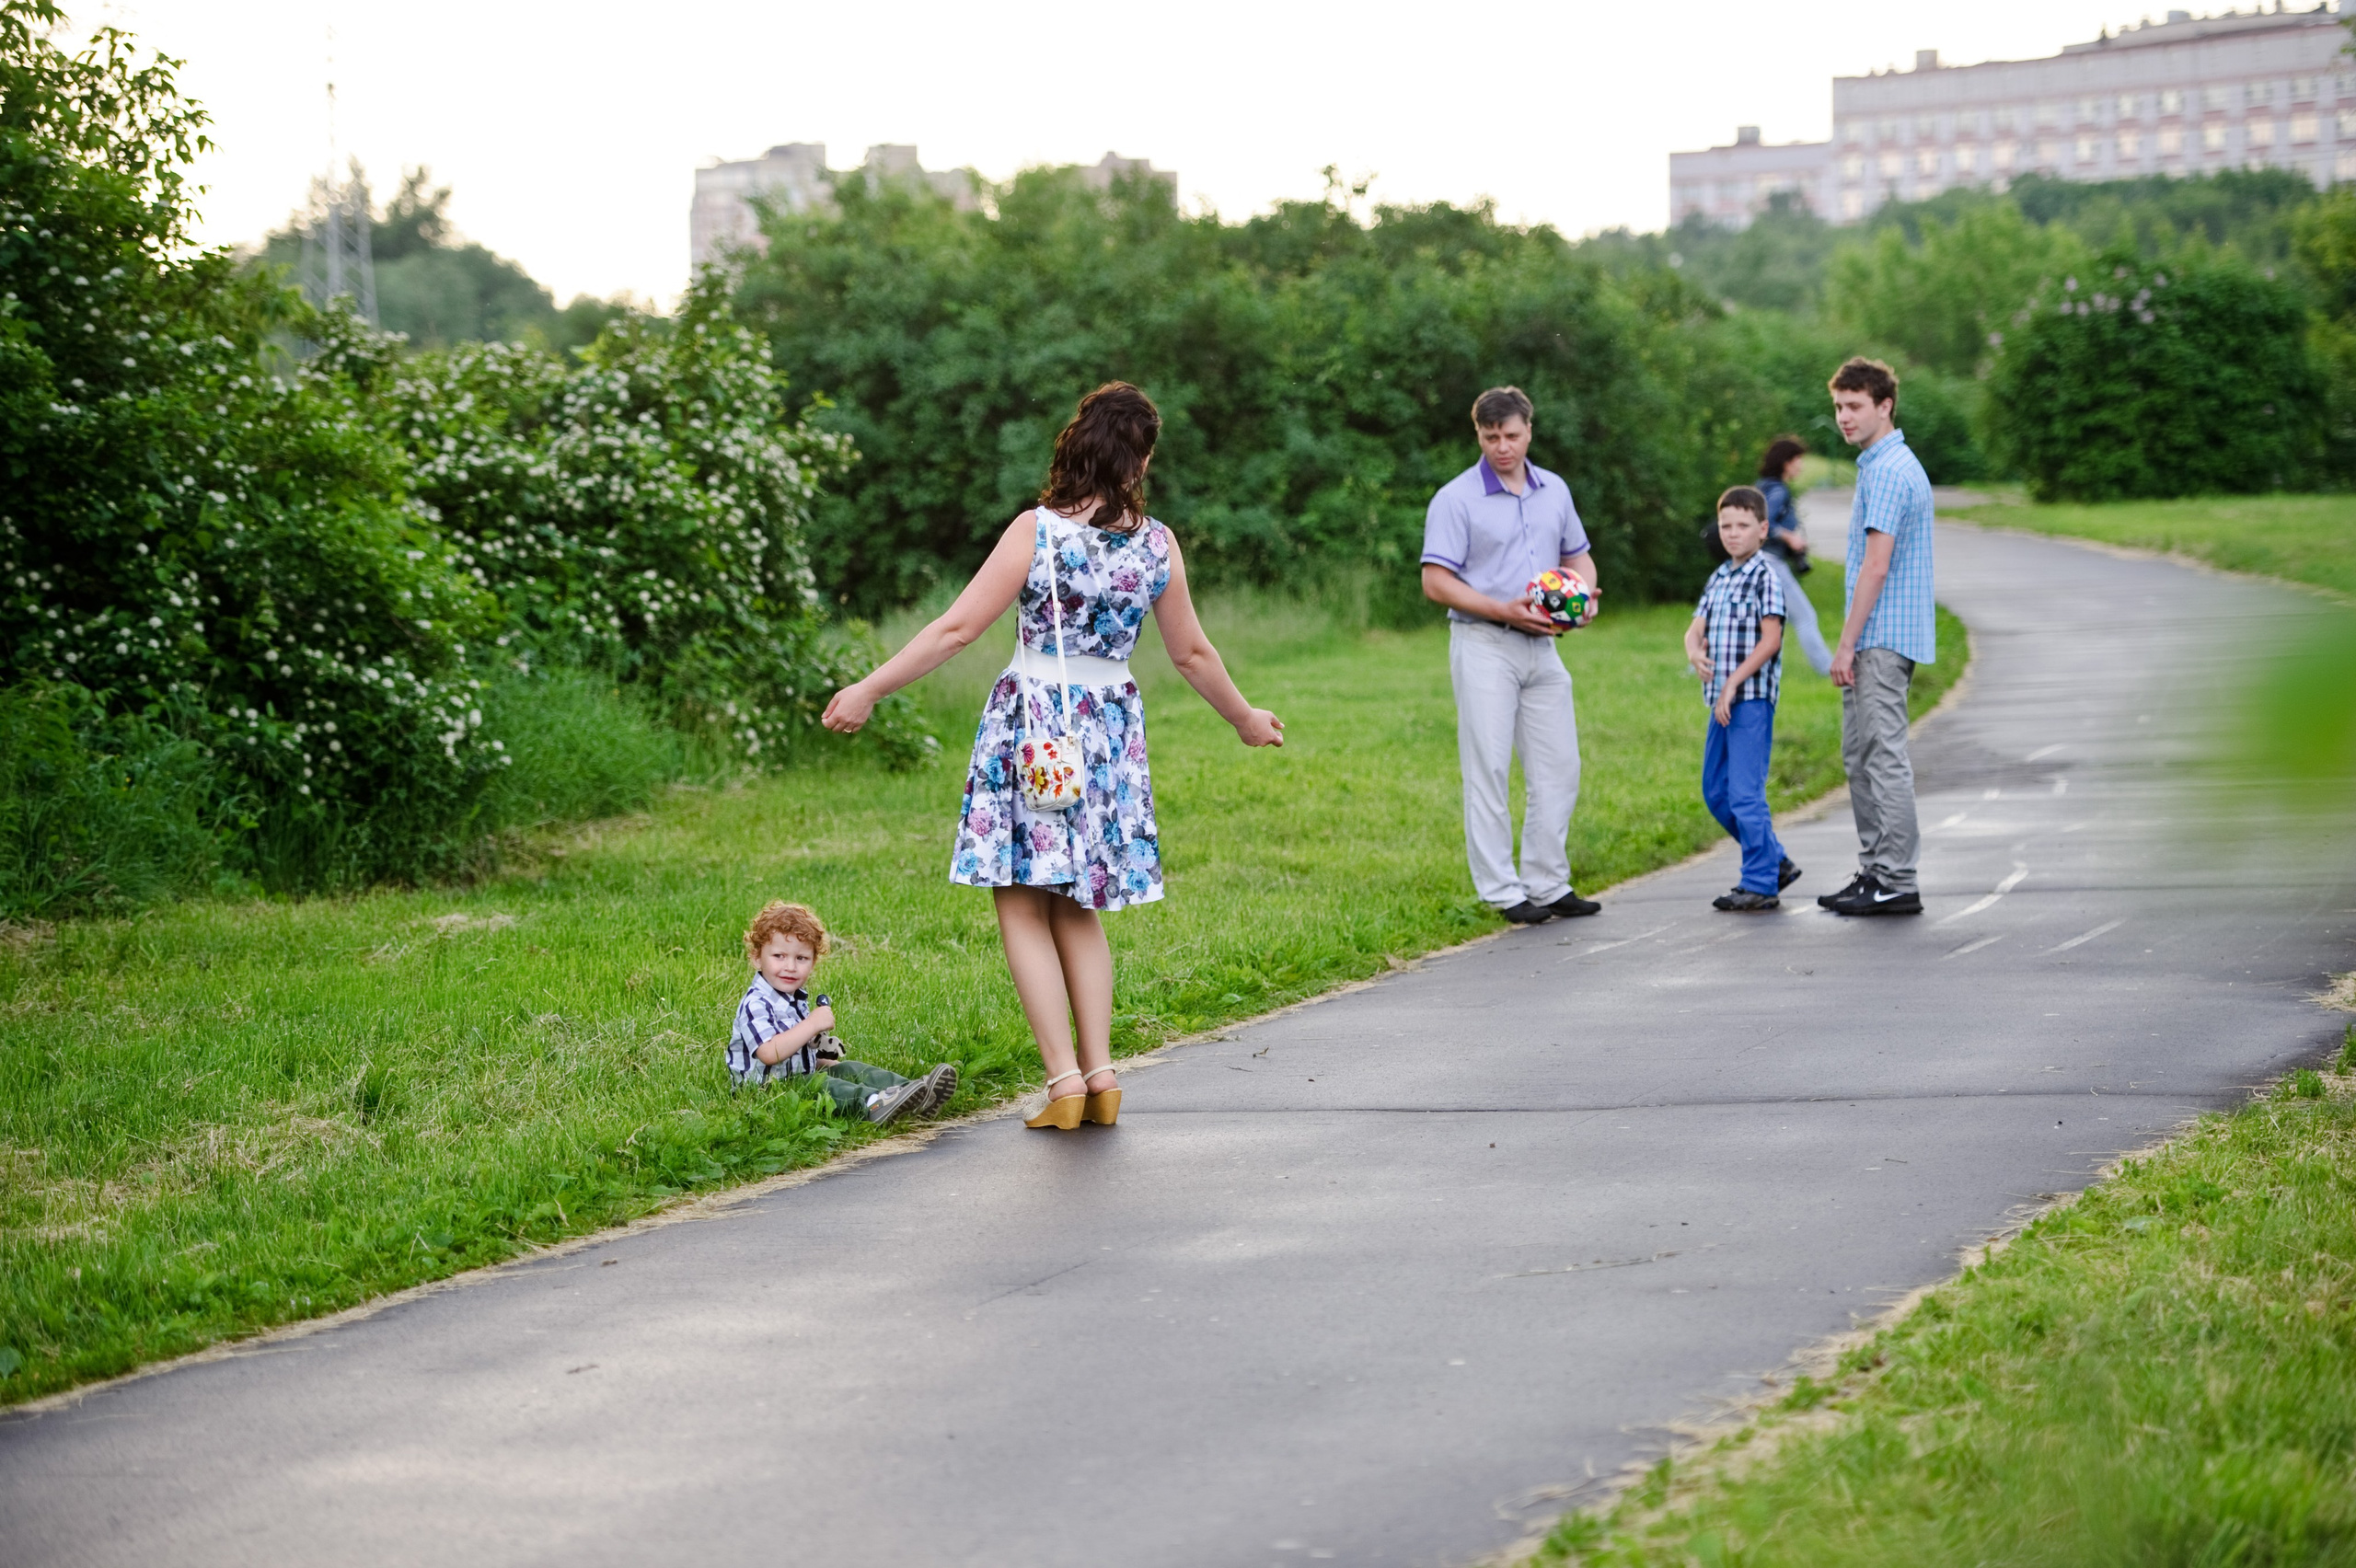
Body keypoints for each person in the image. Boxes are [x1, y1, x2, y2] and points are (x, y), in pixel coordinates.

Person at [821, 383, 1284, 1131]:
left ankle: (1063, 1081)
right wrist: (1244, 718)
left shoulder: (1036, 532)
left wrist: (869, 689)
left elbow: (956, 630)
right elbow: (1193, 654)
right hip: (1106, 735)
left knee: (1020, 901)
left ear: (1077, 443)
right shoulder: (1156, 544)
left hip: (1035, 723)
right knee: (1079, 904)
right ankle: (1102, 1079)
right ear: (1139, 459)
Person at [1420, 386, 1601, 927]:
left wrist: (1585, 597)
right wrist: (1503, 609)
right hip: (1483, 643)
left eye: (1512, 436)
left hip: (1543, 645)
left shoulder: (1555, 491)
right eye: (1490, 436)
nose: (1502, 447)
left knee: (1560, 767)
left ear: (1530, 430)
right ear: (1478, 434)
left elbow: (1579, 558)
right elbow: (1435, 581)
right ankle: (1503, 890)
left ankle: (1549, 882)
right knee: (1490, 767)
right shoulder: (1455, 498)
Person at [1819, 357, 1934, 917]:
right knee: (1860, 754)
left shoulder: (1888, 470)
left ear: (1884, 406)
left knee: (1882, 757)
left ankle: (1897, 878)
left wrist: (1846, 644)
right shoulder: (1882, 464)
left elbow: (1877, 565)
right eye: (1839, 406)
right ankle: (1874, 873)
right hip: (1880, 634)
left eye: (1854, 406)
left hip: (1880, 638)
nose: (1844, 417)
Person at [729, 900, 957, 1124]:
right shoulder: (755, 1003)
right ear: (757, 957)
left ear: (813, 962)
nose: (790, 966)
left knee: (850, 1069)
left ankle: (914, 1092)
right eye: (779, 956)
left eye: (801, 958)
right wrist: (811, 1024)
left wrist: (819, 1059)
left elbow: (796, 1050)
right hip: (770, 1091)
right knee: (829, 1087)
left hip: (799, 1076)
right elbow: (769, 1053)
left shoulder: (794, 998)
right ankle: (874, 1104)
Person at [1684, 488, 1799, 912]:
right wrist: (1694, 650)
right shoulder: (1720, 576)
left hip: (1749, 699)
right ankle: (1774, 860)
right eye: (1726, 526)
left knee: (1745, 793)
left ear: (1763, 529)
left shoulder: (1766, 575)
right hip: (1721, 702)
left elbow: (1771, 640)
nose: (1733, 534)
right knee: (1716, 792)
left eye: (1743, 526)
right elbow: (1694, 629)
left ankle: (1760, 883)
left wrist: (1732, 681)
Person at [1756, 436, 1833, 677]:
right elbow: (1762, 523)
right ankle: (1829, 670)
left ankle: (1701, 665)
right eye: (1798, 459)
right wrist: (1790, 538)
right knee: (1805, 617)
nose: (1801, 465)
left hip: (1755, 561)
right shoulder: (1777, 489)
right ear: (1786, 462)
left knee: (1744, 620)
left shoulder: (1762, 485)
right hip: (1770, 562)